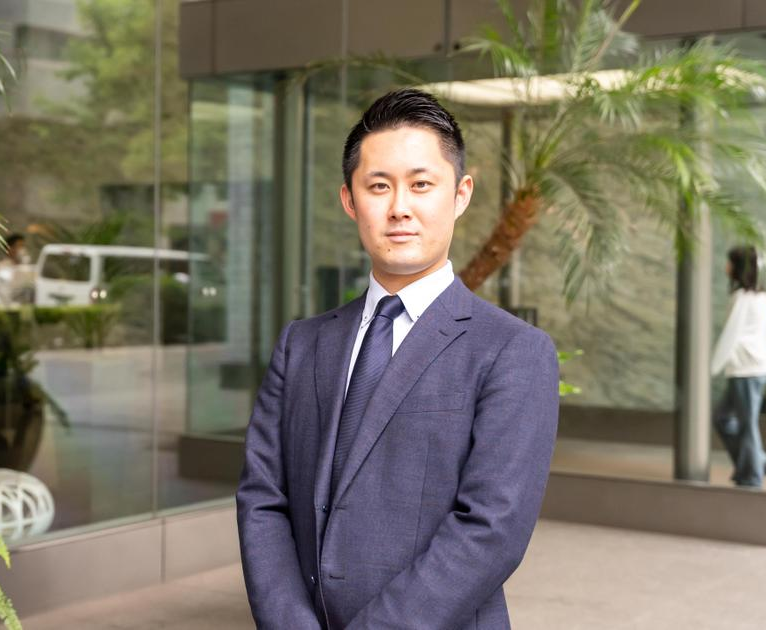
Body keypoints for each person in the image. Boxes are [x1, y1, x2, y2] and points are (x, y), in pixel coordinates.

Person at [236, 89, 560, 630]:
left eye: (421, 184)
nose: (399, 208)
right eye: (379, 186)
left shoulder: (512, 351)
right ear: (349, 200)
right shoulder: (302, 344)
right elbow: (263, 499)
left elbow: (491, 528)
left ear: (460, 194)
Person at [711, 246, 766, 488]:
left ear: (738, 268)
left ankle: (752, 475)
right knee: (723, 418)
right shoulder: (759, 298)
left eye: (730, 262)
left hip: (746, 371)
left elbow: (730, 336)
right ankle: (756, 463)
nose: (726, 267)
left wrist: (712, 367)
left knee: (746, 425)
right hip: (751, 369)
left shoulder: (742, 299)